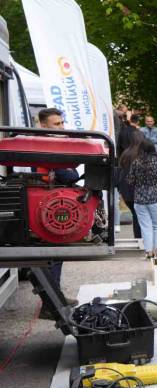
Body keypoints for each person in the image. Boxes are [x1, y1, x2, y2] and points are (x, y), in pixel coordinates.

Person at [35, 108, 79, 319]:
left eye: (62, 123)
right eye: (56, 124)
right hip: (46, 206)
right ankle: (50, 304)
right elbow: (69, 174)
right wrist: (70, 172)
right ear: (43, 125)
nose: (62, 127)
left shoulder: (52, 144)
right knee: (51, 257)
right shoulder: (44, 146)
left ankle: (56, 297)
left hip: (54, 204)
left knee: (57, 256)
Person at [126, 138, 157, 259]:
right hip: (156, 197)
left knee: (145, 226)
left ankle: (148, 251)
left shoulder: (136, 162)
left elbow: (130, 180)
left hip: (139, 198)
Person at [118, 131, 145, 239]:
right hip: (139, 191)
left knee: (136, 215)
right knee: (142, 216)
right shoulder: (143, 154)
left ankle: (138, 239)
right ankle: (143, 240)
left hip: (126, 191)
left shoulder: (125, 154)